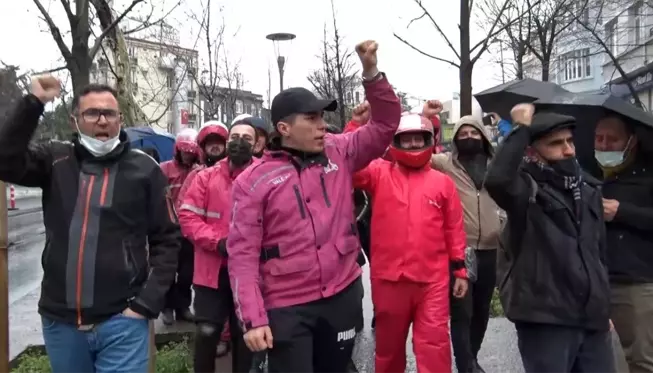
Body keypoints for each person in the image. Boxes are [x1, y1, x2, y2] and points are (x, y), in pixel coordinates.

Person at [226, 40, 401, 373]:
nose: (323, 124)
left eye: (323, 116)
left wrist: (372, 73)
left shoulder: (340, 151)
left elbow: (384, 126)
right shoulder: (252, 182)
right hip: (287, 308)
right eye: (312, 118)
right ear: (284, 128)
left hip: (340, 298)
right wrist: (252, 318)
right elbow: (242, 257)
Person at [0, 78, 180, 373]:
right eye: (92, 113)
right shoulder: (55, 160)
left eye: (110, 114)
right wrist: (33, 103)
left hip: (123, 321)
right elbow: (5, 161)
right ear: (75, 120)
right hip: (62, 322)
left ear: (120, 119)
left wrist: (146, 302)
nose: (102, 120)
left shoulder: (145, 169)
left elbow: (168, 239)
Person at [484, 103, 613, 373]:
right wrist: (520, 129)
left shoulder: (588, 190)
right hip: (546, 319)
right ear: (533, 152)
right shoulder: (525, 191)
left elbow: (598, 252)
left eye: (569, 141)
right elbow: (497, 181)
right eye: (556, 144)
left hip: (591, 318)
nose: (568, 150)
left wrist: (603, 305)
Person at [353, 111, 468, 373]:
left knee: (435, 348)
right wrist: (357, 126)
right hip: (389, 279)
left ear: (430, 140)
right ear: (396, 142)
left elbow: (454, 229)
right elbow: (350, 165)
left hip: (432, 281)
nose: (414, 144)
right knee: (388, 351)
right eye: (407, 139)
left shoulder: (443, 183)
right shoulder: (379, 173)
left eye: (419, 138)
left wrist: (460, 269)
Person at [178, 121, 259, 373]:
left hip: (251, 271)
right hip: (211, 270)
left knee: (245, 332)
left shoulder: (266, 175)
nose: (239, 142)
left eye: (247, 138)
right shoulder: (205, 178)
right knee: (207, 330)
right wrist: (218, 241)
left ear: (256, 144)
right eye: (234, 136)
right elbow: (188, 217)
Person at [430, 110, 501, 373]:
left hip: (491, 248)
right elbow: (412, 150)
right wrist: (429, 121)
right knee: (463, 312)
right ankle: (465, 366)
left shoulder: (496, 165)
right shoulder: (444, 163)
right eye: (463, 134)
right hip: (461, 250)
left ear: (483, 136)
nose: (469, 137)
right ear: (455, 138)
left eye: (474, 133)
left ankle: (471, 358)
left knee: (482, 311)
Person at [594, 115, 653, 373]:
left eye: (612, 139)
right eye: (598, 138)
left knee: (641, 360)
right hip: (597, 282)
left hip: (637, 283)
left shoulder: (648, 177)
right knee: (603, 359)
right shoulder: (591, 175)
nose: (604, 145)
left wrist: (622, 211)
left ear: (632, 142)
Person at [159, 128, 200, 325]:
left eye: (191, 153)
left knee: (187, 272)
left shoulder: (198, 171)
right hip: (168, 227)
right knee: (167, 270)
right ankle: (166, 307)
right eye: (184, 152)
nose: (187, 156)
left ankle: (182, 306)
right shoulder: (164, 169)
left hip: (189, 230)